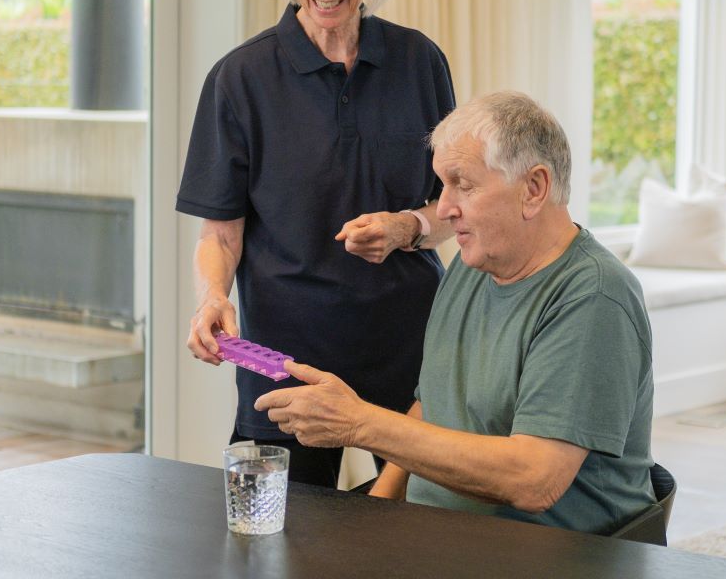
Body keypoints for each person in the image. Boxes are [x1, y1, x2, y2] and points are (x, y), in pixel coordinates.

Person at [256, 91, 656, 533]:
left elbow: (534, 481)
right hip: (442, 536)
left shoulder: (593, 297)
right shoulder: (473, 266)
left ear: (534, 189)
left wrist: (360, 423)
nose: (444, 207)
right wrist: (376, 512)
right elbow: (433, 403)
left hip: (554, 557)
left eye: (463, 184)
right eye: (442, 184)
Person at [175, 0, 456, 488]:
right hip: (280, 360)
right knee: (276, 546)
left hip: (408, 354)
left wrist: (408, 226)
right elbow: (220, 232)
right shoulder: (240, 79)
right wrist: (212, 297)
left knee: (421, 542)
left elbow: (452, 210)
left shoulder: (419, 63)